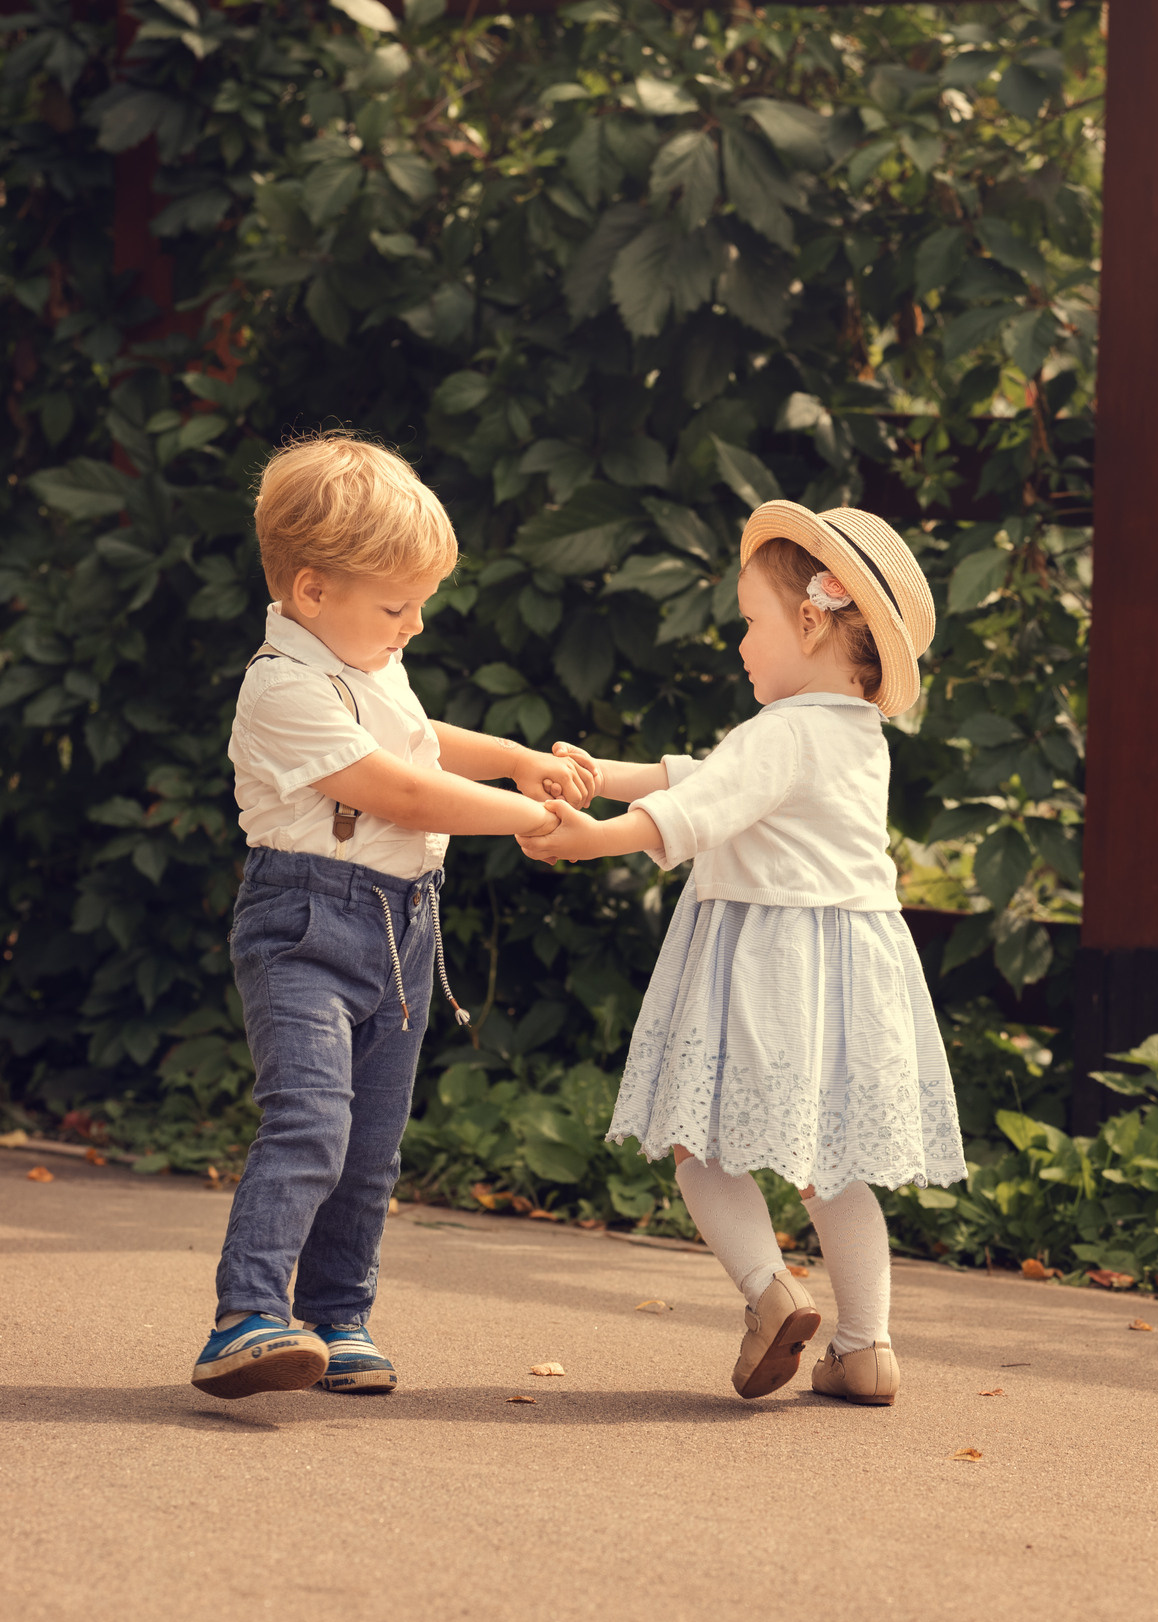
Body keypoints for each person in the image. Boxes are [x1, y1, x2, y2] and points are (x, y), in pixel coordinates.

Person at [519, 501, 963, 1407]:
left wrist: (588, 835)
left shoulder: (782, 732)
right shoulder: (850, 734)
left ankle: (770, 1293)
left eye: (751, 622)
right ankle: (864, 1343)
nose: (740, 644)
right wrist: (606, 774)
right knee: (829, 1161)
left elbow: (697, 811)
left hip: (769, 960)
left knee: (699, 1145)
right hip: (851, 965)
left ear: (810, 621)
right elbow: (706, 777)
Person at [194, 432, 594, 1400]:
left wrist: (509, 758)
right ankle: (246, 1315)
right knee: (309, 1120)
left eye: (419, 604)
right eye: (396, 606)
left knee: (371, 1143)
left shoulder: (362, 660)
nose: (413, 625)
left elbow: (416, 737)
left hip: (403, 926)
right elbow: (400, 792)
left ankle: (337, 1315)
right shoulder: (280, 684)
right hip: (306, 923)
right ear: (310, 590)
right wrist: (535, 818)